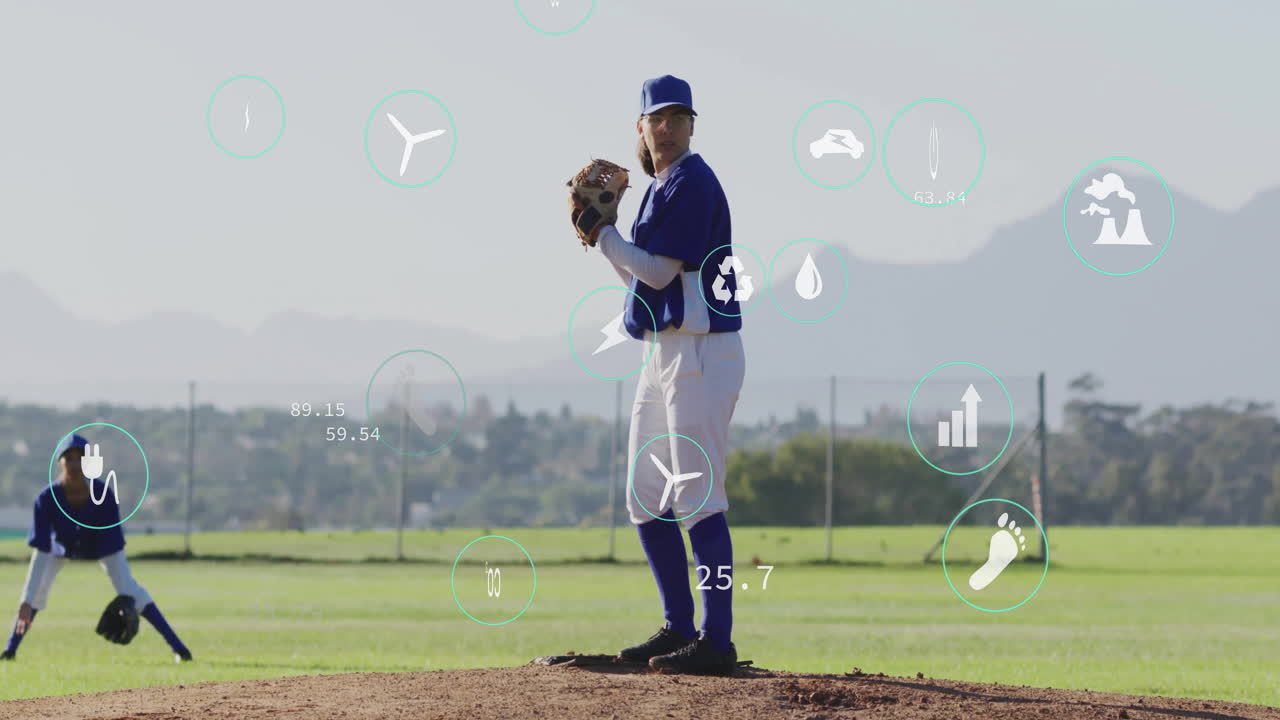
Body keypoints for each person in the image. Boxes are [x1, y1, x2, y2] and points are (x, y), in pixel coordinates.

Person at [592, 74, 745, 676]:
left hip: (704, 354)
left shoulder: (691, 181)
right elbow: (643, 284)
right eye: (658, 117)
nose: (668, 126)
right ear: (641, 126)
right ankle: (678, 627)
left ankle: (717, 640)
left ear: (690, 125)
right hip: (664, 352)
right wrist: (608, 243)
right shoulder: (659, 186)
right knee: (645, 497)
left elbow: (656, 273)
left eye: (679, 117)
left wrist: (604, 234)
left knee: (698, 499)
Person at [1, 433, 192, 662]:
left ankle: (179, 648)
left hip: (101, 546)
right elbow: (41, 551)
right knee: (36, 593)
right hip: (60, 547)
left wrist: (125, 593)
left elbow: (112, 546)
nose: (74, 463)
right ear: (59, 462)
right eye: (68, 457)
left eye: (80, 458)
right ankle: (9, 651)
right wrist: (26, 599)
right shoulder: (46, 498)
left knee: (129, 589)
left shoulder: (103, 494)